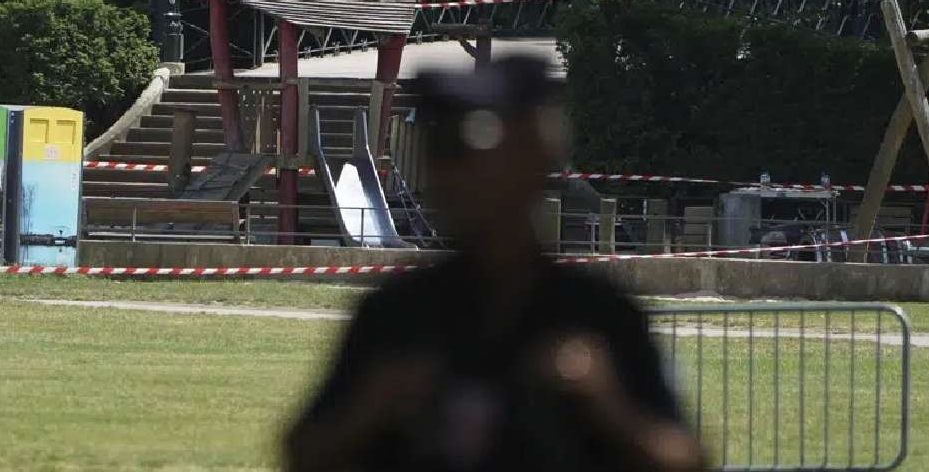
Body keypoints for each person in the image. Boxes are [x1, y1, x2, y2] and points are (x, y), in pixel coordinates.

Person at [284, 56, 704, 472]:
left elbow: (685, 457)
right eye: (442, 155)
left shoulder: (598, 316)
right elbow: (303, 452)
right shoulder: (395, 315)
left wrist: (606, 404)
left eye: (469, 157)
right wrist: (372, 406)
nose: (451, 178)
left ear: (535, 162)